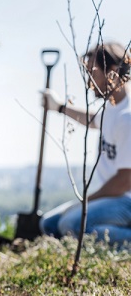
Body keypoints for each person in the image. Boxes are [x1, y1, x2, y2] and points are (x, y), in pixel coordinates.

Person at [39, 42, 131, 245]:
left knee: (69, 225)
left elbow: (125, 181)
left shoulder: (127, 119)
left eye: (93, 73)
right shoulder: (111, 109)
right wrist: (60, 108)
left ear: (113, 73)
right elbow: (93, 120)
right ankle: (102, 237)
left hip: (126, 200)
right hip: (113, 198)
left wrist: (86, 201)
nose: (90, 82)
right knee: (49, 224)